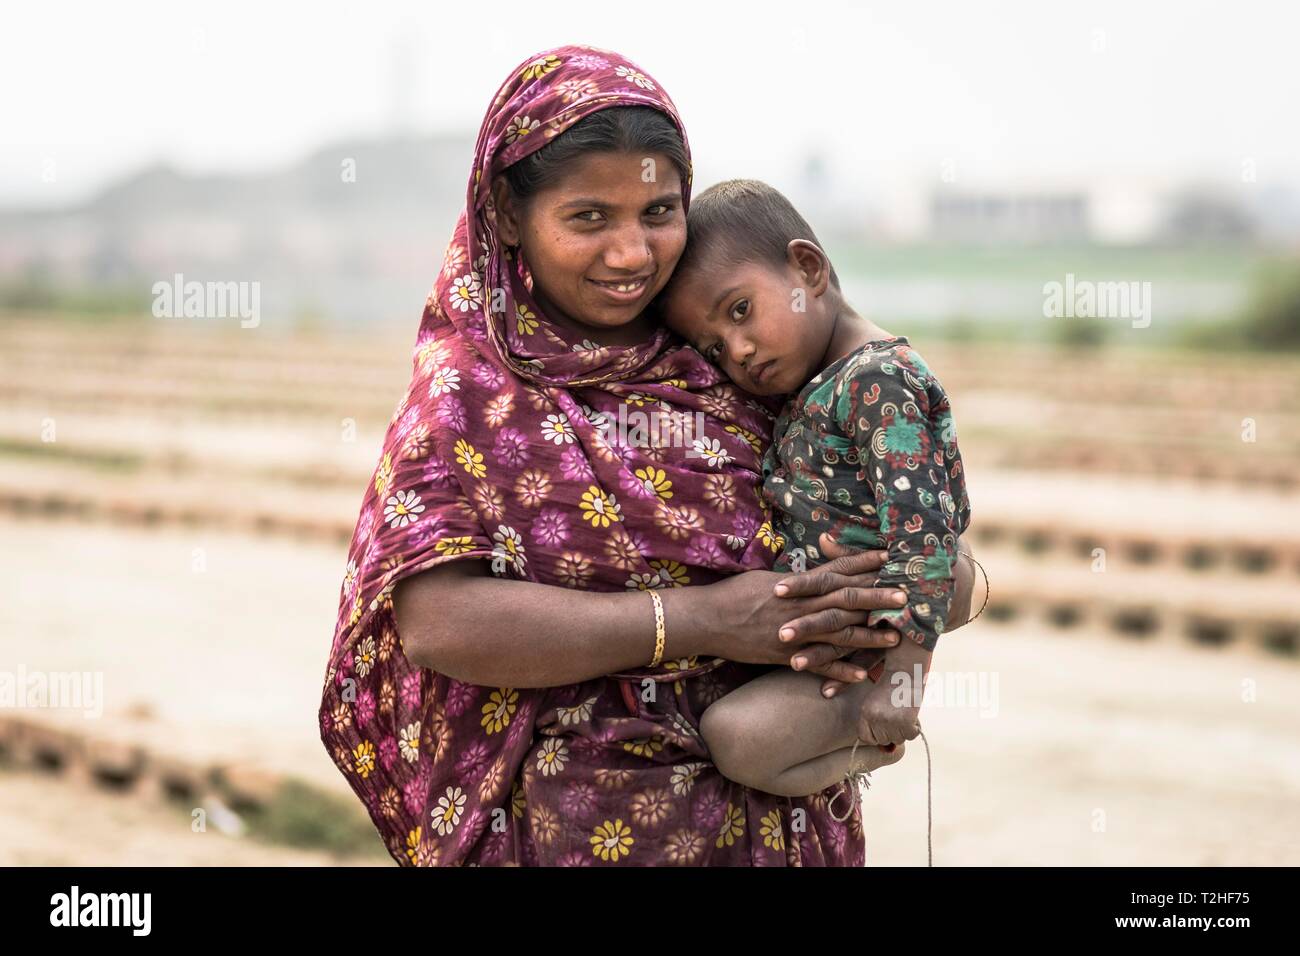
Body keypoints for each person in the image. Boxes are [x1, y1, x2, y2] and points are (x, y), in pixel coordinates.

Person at [317, 44, 976, 866]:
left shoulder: (735, 356)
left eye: (659, 212)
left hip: (789, 829)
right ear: (509, 215)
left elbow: (932, 547)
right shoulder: (470, 392)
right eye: (589, 218)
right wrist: (702, 621)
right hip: (587, 831)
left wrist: (938, 589)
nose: (631, 254)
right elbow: (439, 624)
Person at [656, 179, 974, 799]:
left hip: (884, 640)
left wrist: (899, 686)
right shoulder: (816, 384)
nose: (738, 352)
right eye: (714, 347)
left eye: (741, 310)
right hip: (837, 637)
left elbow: (926, 540)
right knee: (734, 737)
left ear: (808, 268)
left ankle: (876, 738)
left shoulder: (877, 380)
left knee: (736, 738)